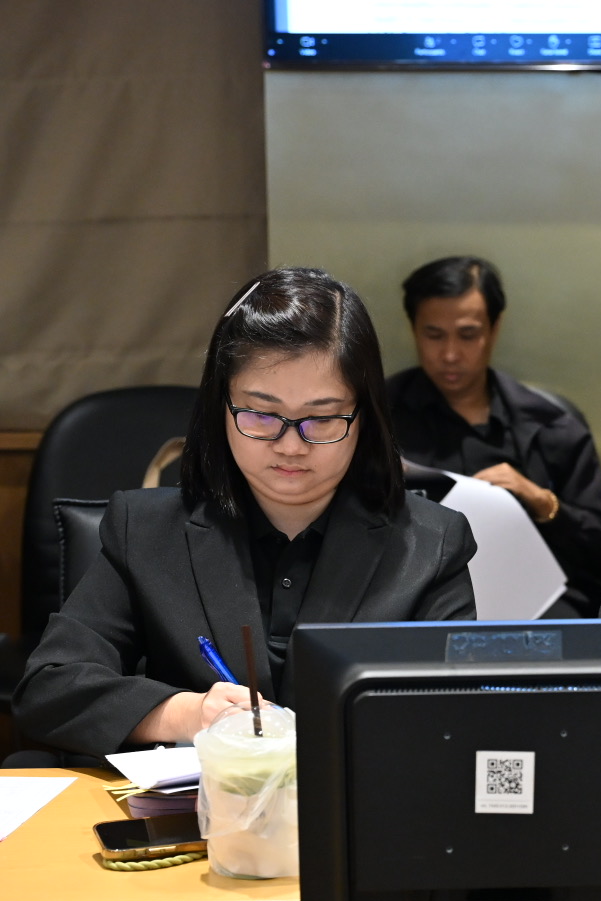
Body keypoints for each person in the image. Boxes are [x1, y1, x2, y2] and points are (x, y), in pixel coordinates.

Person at [12, 268, 478, 762]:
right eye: (262, 414)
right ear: (223, 406)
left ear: (364, 416)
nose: (291, 445)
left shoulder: (431, 544)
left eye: (322, 418)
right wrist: (187, 714)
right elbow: (49, 688)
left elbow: (459, 715)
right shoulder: (144, 531)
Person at [388, 256, 601, 617]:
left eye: (468, 335)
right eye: (434, 335)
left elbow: (600, 548)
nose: (450, 354)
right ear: (414, 329)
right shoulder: (377, 418)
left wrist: (540, 501)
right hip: (416, 604)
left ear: (494, 328)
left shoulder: (552, 426)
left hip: (536, 609)